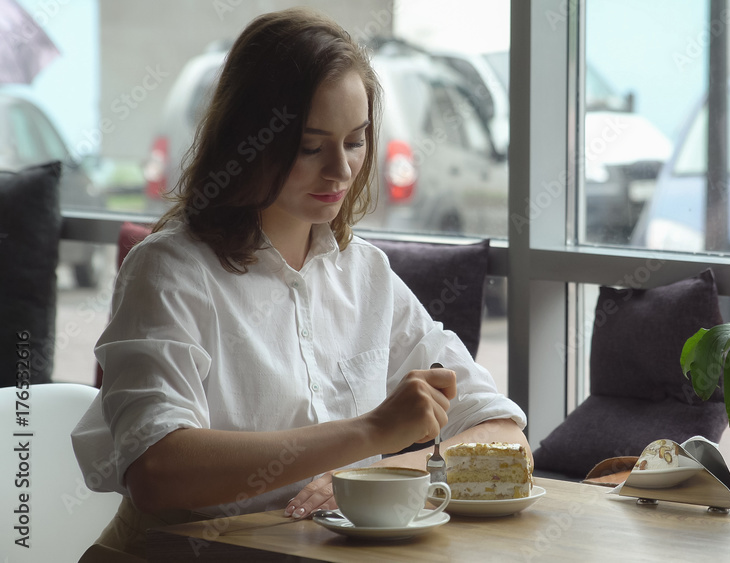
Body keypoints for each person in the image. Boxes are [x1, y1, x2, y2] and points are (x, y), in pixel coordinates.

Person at [71, 8, 528, 560]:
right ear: (248, 138)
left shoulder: (365, 275)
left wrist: (372, 476)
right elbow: (157, 470)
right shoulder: (170, 270)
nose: (339, 170)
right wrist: (370, 433)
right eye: (310, 147)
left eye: (355, 141)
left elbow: (501, 433)